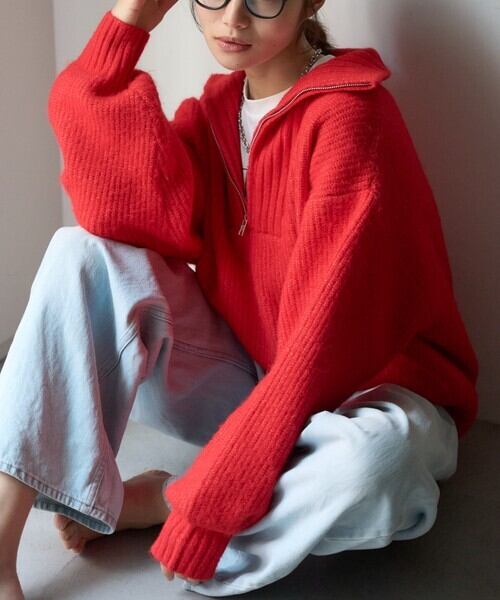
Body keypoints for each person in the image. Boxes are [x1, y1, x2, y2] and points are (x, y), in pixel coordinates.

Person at [0, 0, 479, 597]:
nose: (232, 19)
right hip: (256, 378)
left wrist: (206, 501)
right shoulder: (216, 114)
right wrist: (129, 23)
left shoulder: (353, 117)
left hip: (372, 397)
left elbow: (324, 349)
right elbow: (116, 213)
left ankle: (164, 500)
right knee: (80, 250)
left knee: (375, 466)